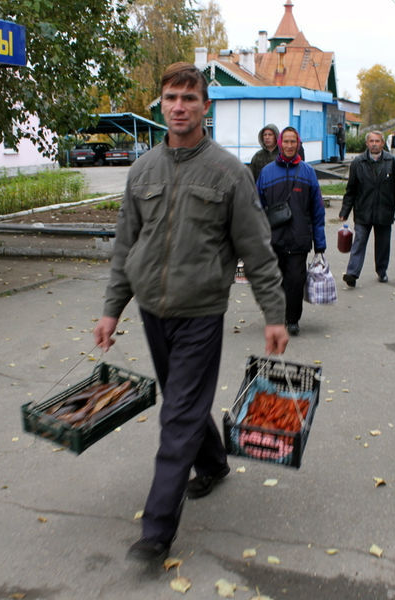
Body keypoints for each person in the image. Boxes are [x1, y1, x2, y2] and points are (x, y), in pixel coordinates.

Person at [93, 62, 288, 563]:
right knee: (185, 402)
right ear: (160, 104)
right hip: (154, 313)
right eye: (171, 97)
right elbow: (125, 245)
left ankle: (156, 530)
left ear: (206, 106)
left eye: (189, 98)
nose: (179, 106)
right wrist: (113, 309)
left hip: (201, 313)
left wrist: (274, 314)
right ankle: (215, 463)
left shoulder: (228, 172)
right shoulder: (143, 170)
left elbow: (257, 249)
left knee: (176, 412)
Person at [256, 127, 327, 336]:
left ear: (298, 144)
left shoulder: (307, 172)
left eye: (292, 142)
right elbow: (256, 206)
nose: (288, 146)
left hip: (299, 237)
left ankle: (292, 319)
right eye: (285, 142)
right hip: (273, 238)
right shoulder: (267, 172)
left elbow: (317, 209)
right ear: (279, 143)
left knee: (295, 281)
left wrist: (319, 243)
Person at [338, 130, 395, 286]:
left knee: (383, 245)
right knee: (359, 242)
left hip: (384, 211)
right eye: (371, 141)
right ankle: (352, 273)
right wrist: (345, 211)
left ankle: (382, 271)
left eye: (377, 141)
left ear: (382, 143)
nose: (374, 144)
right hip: (363, 211)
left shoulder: (391, 162)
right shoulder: (358, 162)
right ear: (367, 144)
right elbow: (351, 190)